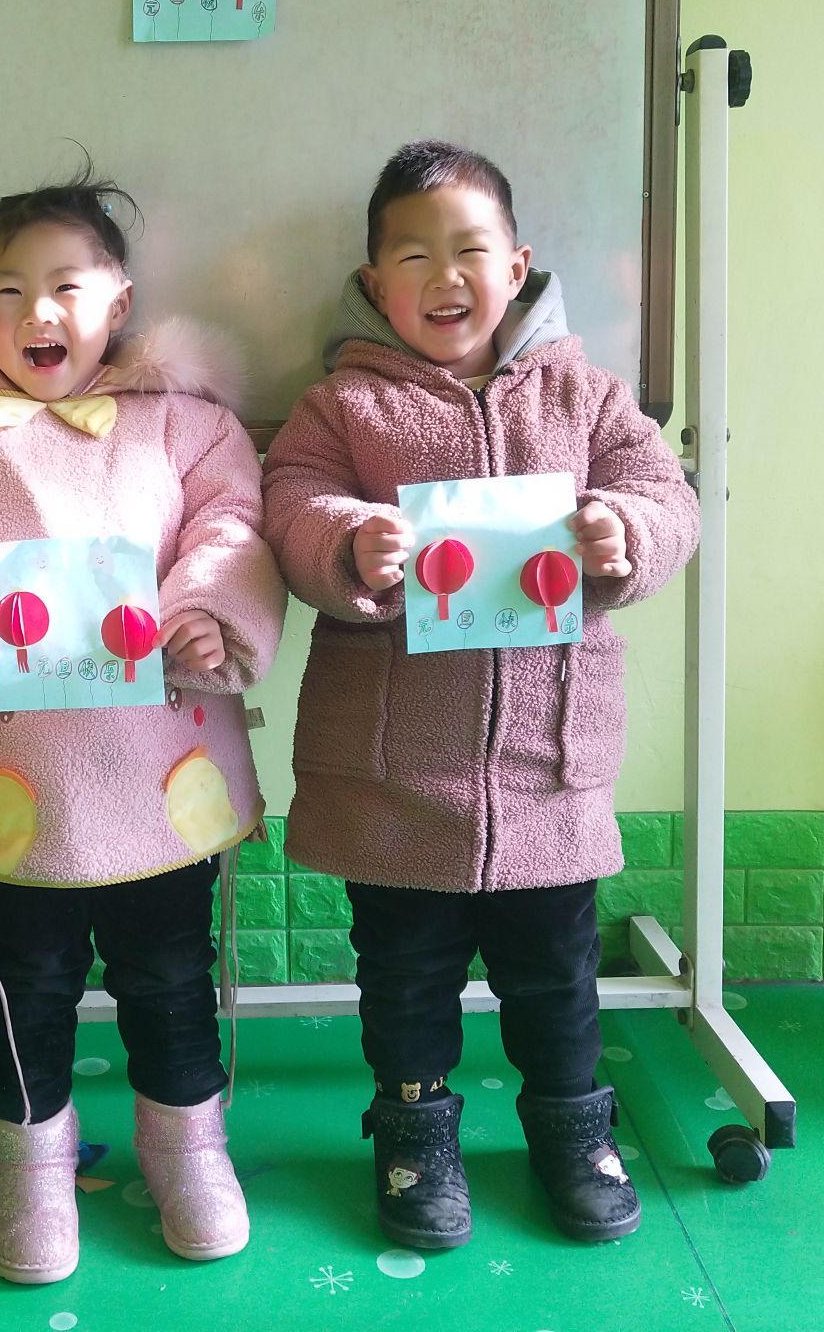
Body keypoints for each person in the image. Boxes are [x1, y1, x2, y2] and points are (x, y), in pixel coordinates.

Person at [0, 169, 284, 1283]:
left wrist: (207, 615)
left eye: (66, 286)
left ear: (118, 300)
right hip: (17, 785)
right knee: (24, 987)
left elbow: (232, 527)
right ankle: (28, 1169)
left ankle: (189, 1151)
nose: (39, 312)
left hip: (160, 773)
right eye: (9, 290)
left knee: (170, 975)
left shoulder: (188, 426)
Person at [263, 141, 699, 1248]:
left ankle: (573, 1129)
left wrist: (626, 531)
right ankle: (414, 1133)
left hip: (550, 766)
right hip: (393, 775)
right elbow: (291, 504)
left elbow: (666, 494)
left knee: (557, 974)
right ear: (376, 284)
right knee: (403, 977)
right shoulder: (342, 406)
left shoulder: (586, 393)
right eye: (414, 256)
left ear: (518, 266)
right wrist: (349, 543)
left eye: (470, 251)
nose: (445, 276)